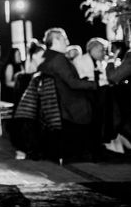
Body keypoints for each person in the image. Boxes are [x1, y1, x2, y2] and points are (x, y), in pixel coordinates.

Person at [38, 28, 97, 159]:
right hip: (68, 104)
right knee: (99, 103)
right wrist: (96, 84)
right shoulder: (58, 58)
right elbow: (72, 83)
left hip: (53, 104)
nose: (67, 42)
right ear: (56, 40)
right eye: (65, 39)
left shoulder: (45, 57)